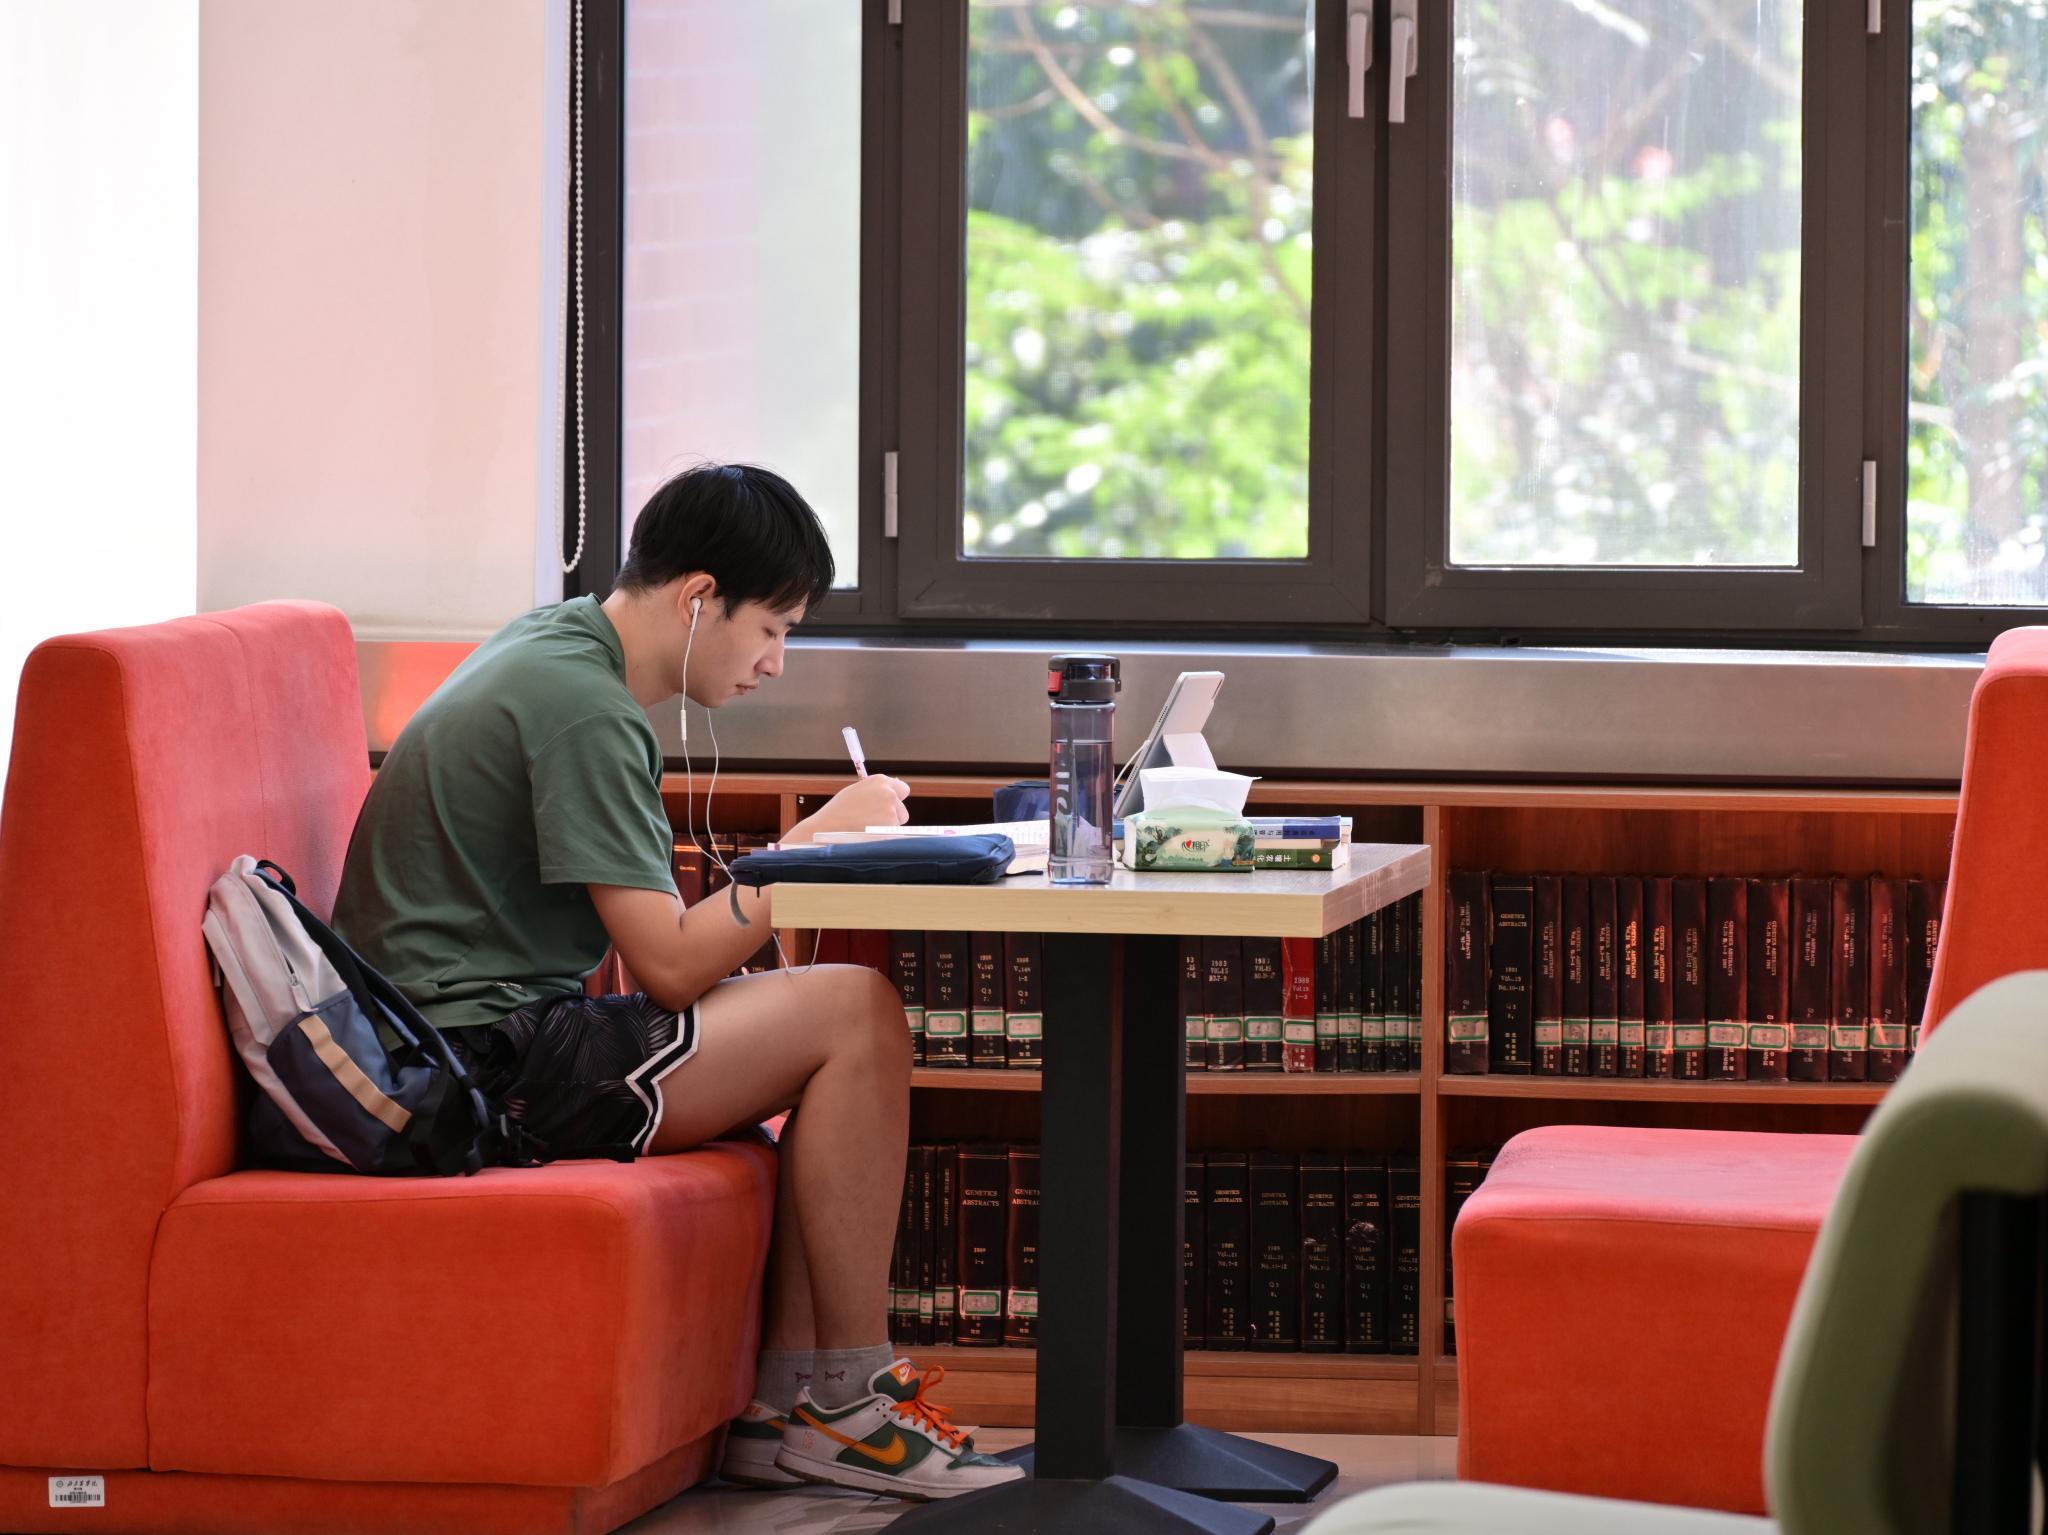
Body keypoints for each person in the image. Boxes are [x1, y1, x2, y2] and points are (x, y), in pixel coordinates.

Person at [332, 463, 1023, 1501]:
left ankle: (786, 1409)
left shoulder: (554, 644)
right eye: (772, 628)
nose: (776, 662)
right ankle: (850, 1404)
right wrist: (812, 848)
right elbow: (665, 966)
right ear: (700, 596)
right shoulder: (584, 708)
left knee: (829, 1026)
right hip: (470, 1064)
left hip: (457, 1033)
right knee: (856, 1010)